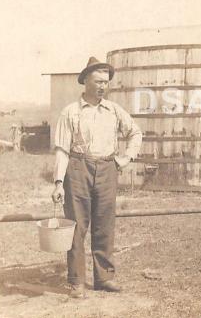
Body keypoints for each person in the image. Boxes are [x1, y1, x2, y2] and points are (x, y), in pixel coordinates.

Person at [52, 56, 143, 299]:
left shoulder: (113, 110)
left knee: (104, 225)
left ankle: (104, 278)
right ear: (85, 82)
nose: (103, 86)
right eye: (98, 81)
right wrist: (59, 182)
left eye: (106, 82)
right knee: (77, 227)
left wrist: (125, 159)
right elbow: (61, 149)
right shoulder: (70, 112)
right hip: (78, 169)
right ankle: (76, 281)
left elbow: (135, 133)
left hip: (106, 169)